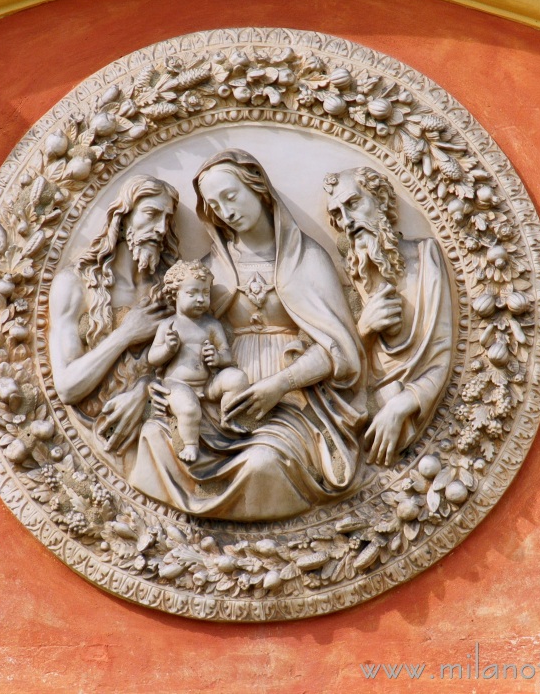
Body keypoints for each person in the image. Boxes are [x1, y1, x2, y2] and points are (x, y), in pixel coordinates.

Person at [129, 149, 368, 521]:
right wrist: (165, 389)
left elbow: (338, 349)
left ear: (258, 189)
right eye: (214, 205)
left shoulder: (307, 259)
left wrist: (278, 385)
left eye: (231, 195)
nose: (225, 211)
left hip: (291, 405)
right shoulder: (210, 270)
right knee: (154, 438)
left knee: (263, 462)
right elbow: (178, 337)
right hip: (215, 401)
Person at [324, 166, 452, 467]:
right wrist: (362, 331)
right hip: (366, 407)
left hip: (407, 407)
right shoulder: (343, 282)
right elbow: (329, 370)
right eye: (338, 215)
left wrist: (401, 405)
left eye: (353, 204)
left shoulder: (427, 259)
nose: (349, 222)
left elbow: (443, 352)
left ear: (380, 199)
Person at [48, 174, 179, 455]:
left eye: (167, 219)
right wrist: (127, 334)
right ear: (123, 219)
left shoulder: (168, 287)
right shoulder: (75, 285)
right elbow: (68, 386)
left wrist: (145, 390)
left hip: (161, 424)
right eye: (151, 214)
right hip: (99, 434)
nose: (160, 229)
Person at [146, 260, 249, 463]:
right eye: (192, 294)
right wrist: (168, 348)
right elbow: (153, 359)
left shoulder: (212, 325)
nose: (201, 299)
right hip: (178, 384)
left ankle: (228, 416)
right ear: (175, 294)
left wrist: (218, 358)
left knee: (237, 378)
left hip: (208, 384)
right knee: (188, 408)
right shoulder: (169, 325)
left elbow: (227, 355)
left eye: (205, 293)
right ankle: (190, 445)